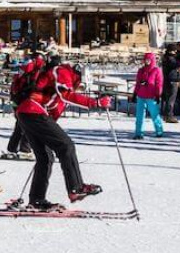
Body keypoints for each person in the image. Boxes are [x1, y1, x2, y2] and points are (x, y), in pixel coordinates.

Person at [13, 51, 111, 211]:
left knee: (45, 158)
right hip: (32, 112)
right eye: (80, 84)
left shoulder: (59, 80)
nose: (78, 87)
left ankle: (37, 200)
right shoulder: (63, 71)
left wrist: (50, 132)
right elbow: (66, 95)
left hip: (27, 114)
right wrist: (96, 103)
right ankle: (76, 188)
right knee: (66, 146)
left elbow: (54, 111)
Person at [132, 51, 165, 139]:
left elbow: (159, 84)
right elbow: (138, 83)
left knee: (154, 115)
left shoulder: (156, 70)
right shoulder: (141, 70)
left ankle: (159, 131)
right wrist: (135, 94)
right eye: (145, 59)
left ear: (152, 60)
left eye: (148, 60)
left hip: (151, 96)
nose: (147, 61)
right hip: (141, 95)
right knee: (139, 116)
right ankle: (138, 133)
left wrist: (158, 95)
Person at [160, 43, 180, 122]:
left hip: (169, 80)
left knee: (169, 99)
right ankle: (169, 116)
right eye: (175, 50)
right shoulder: (169, 58)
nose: (176, 52)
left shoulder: (167, 57)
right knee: (171, 99)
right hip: (172, 80)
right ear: (172, 51)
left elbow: (176, 59)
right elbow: (179, 64)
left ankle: (166, 115)